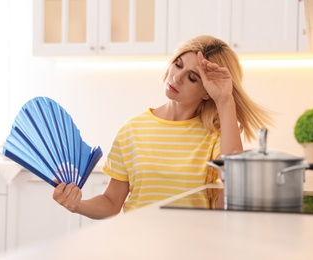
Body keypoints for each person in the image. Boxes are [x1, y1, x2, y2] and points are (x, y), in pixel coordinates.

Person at [53, 35, 272, 219]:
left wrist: (225, 100)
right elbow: (111, 202)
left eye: (192, 78)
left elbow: (236, 182)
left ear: (207, 91)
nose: (177, 78)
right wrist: (77, 205)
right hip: (137, 247)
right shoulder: (131, 130)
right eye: (177, 65)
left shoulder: (215, 134)